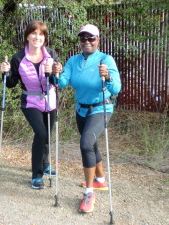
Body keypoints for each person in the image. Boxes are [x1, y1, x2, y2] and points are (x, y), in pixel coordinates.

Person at [54, 24, 121, 213]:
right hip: (81, 109)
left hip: (101, 107)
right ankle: (100, 180)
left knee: (85, 144)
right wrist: (56, 73)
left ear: (98, 40)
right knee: (91, 144)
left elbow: (116, 88)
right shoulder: (73, 61)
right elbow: (61, 83)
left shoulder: (105, 59)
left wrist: (107, 77)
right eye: (83, 38)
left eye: (91, 38)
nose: (87, 42)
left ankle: (89, 192)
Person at [0, 21, 58, 189]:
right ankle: (36, 175)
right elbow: (11, 83)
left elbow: (56, 82)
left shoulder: (51, 54)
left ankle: (46, 165)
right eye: (34, 33)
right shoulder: (18, 57)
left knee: (47, 135)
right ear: (27, 36)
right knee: (40, 133)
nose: (37, 37)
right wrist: (5, 72)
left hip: (50, 100)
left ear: (45, 38)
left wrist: (53, 72)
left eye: (41, 34)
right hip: (30, 101)